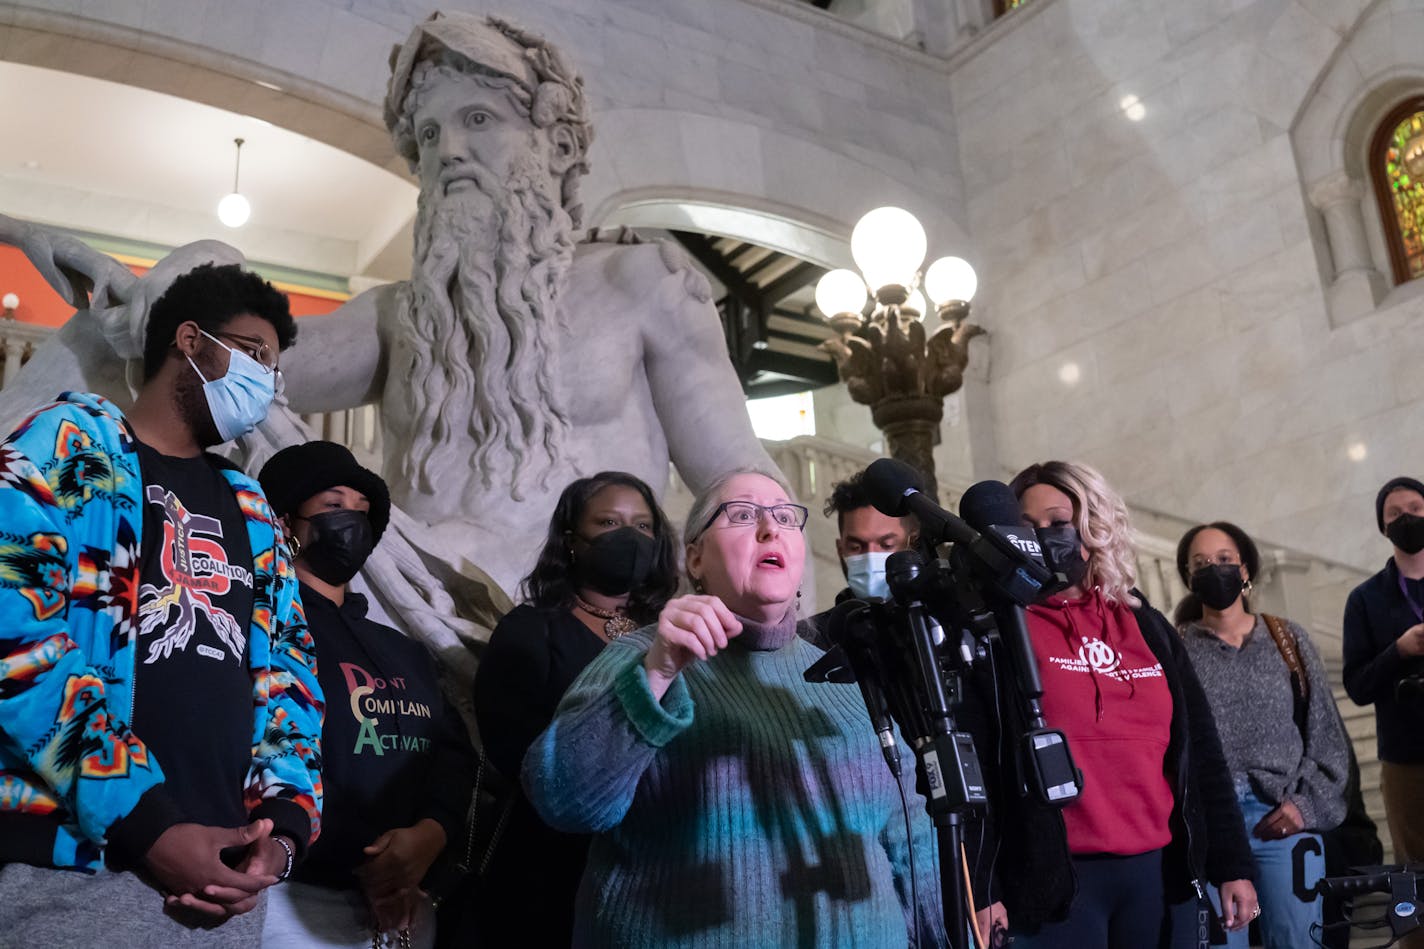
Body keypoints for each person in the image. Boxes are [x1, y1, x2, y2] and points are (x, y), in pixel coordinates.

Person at [0, 263, 321, 944]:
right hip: (76, 870)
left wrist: (284, 827)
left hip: (228, 887)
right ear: (191, 340)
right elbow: (14, 640)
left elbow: (292, 668)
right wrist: (147, 822)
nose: (264, 382)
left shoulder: (253, 508)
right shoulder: (66, 446)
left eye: (273, 369)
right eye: (255, 355)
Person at [522, 468, 943, 946]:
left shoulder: (841, 670)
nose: (770, 529)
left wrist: (941, 934)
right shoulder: (642, 657)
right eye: (743, 515)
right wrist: (657, 674)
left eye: (785, 517)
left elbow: (910, 837)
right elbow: (563, 799)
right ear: (695, 558)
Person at [991, 461, 1256, 948]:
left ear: (1094, 525)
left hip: (1159, 874)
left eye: (1059, 523)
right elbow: (986, 759)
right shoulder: (1003, 626)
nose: (1046, 538)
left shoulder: (1146, 623)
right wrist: (988, 887)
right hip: (1057, 882)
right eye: (1030, 527)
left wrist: (1233, 865)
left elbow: (1200, 750)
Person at [256, 441, 475, 949]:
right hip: (294, 900)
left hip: (408, 907)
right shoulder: (263, 632)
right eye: (333, 506)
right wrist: (370, 861)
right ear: (286, 521)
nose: (351, 520)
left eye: (362, 510)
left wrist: (430, 835)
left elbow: (451, 756)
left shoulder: (403, 651)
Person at [469, 471, 679, 947]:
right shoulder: (529, 631)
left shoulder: (673, 630)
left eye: (643, 526)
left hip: (658, 865)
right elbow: (513, 750)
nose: (629, 536)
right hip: (553, 863)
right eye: (608, 522)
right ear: (571, 541)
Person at [1175, 521, 1348, 948]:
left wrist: (1305, 806)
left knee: (1297, 941)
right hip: (1212, 826)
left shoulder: (1286, 638)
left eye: (1224, 560)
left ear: (1246, 569)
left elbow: (1325, 735)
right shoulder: (1176, 647)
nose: (1213, 569)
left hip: (1284, 820)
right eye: (1200, 564)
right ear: (1188, 577)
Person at [1343, 476, 1424, 949]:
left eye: (1416, 507)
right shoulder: (1366, 598)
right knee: (1414, 870)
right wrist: (1399, 649)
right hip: (1406, 755)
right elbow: (1356, 686)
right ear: (1382, 526)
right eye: (1396, 513)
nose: (1408, 518)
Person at [801, 467, 918, 648]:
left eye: (886, 545)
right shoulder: (811, 640)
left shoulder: (942, 626)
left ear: (912, 544)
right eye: (856, 547)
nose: (870, 557)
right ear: (841, 550)